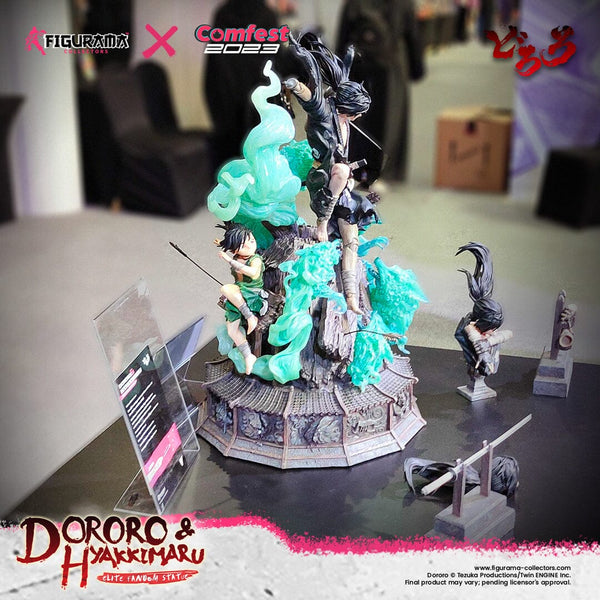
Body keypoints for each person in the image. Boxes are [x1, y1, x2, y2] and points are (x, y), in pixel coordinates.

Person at [284, 32, 376, 314]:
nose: (360, 117)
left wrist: (348, 57)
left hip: (343, 189)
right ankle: (322, 222)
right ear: (349, 109)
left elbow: (341, 78)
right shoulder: (326, 114)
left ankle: (351, 297)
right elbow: (311, 99)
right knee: (340, 170)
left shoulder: (345, 119)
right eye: (358, 112)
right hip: (323, 179)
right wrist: (296, 86)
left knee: (351, 241)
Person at [336, 0, 425, 182]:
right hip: (392, 63)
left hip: (360, 64)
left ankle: (358, 168)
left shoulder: (354, 3)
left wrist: (338, 70)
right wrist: (417, 69)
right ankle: (387, 172)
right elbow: (412, 34)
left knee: (359, 116)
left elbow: (343, 36)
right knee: (390, 118)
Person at [216, 223, 267, 374]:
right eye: (243, 245)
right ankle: (248, 356)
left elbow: (253, 274)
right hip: (239, 295)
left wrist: (229, 260)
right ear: (235, 249)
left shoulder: (255, 259)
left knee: (225, 288)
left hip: (252, 294)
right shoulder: (238, 256)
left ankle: (251, 317)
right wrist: (223, 244)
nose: (250, 246)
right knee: (232, 330)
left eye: (252, 241)